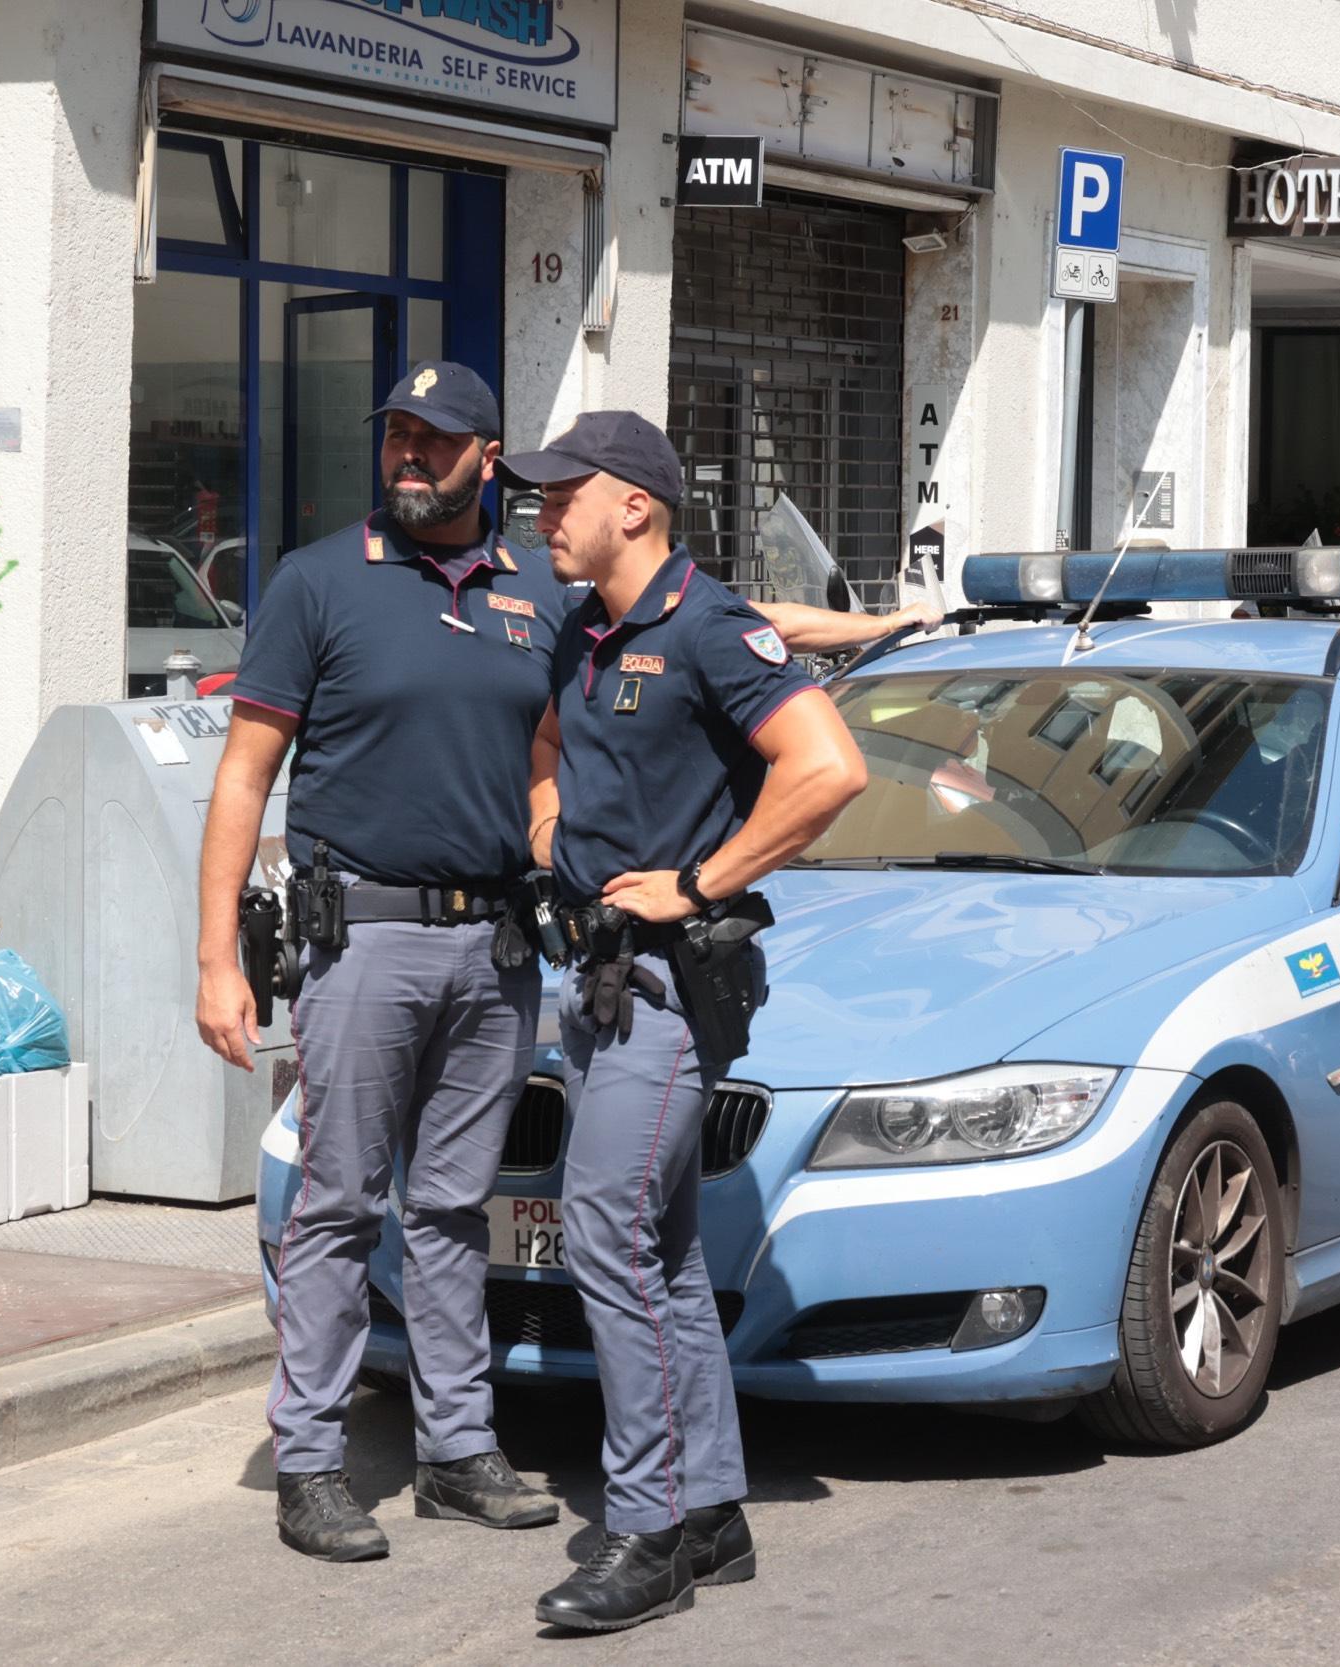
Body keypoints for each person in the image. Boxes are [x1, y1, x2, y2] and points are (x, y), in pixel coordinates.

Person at [498, 412, 868, 1632]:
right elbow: (548, 737)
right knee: (660, 1256)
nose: (543, 514)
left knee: (603, 1233)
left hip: (665, 982)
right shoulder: (583, 625)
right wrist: (551, 827)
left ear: (637, 507)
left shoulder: (711, 627)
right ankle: (711, 1508)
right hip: (595, 976)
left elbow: (827, 767)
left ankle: (647, 1527)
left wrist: (701, 881)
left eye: (565, 497)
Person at [195, 361, 565, 1560]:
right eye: (397, 436)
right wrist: (216, 958)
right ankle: (310, 1458)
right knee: (340, 1202)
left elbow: (550, 749)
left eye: (434, 439)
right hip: (363, 938)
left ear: (487, 458)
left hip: (497, 945)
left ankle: (457, 1448)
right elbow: (245, 773)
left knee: (459, 1207)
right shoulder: (316, 582)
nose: (409, 455)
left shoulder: (536, 588)